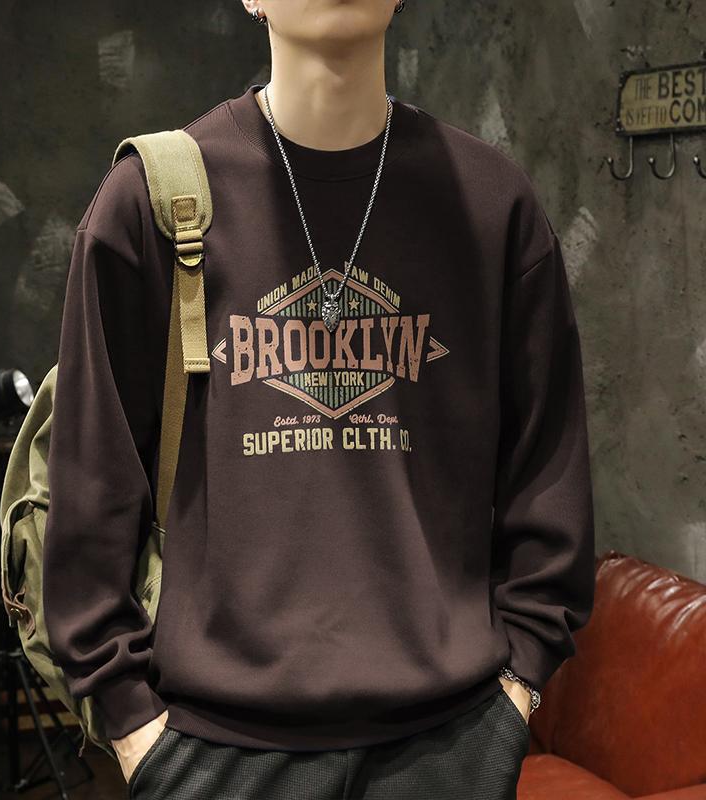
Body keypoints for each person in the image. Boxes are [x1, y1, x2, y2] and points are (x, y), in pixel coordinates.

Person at [42, 1, 596, 798]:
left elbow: (549, 469)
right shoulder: (150, 205)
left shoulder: (489, 204)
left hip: (450, 747)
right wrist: (133, 727)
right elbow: (91, 484)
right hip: (214, 754)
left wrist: (519, 689)